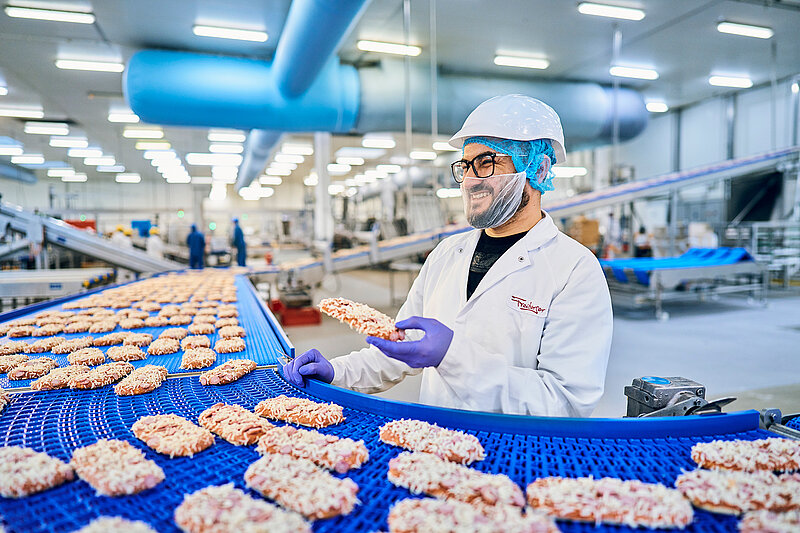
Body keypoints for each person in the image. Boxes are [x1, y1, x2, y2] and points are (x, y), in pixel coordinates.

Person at [284, 94, 613, 417]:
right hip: (434, 446)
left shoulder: (574, 270)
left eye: (486, 162)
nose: (469, 181)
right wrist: (337, 372)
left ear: (537, 170)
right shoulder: (446, 255)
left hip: (515, 457)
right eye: (466, 165)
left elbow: (563, 402)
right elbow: (399, 346)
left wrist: (451, 355)